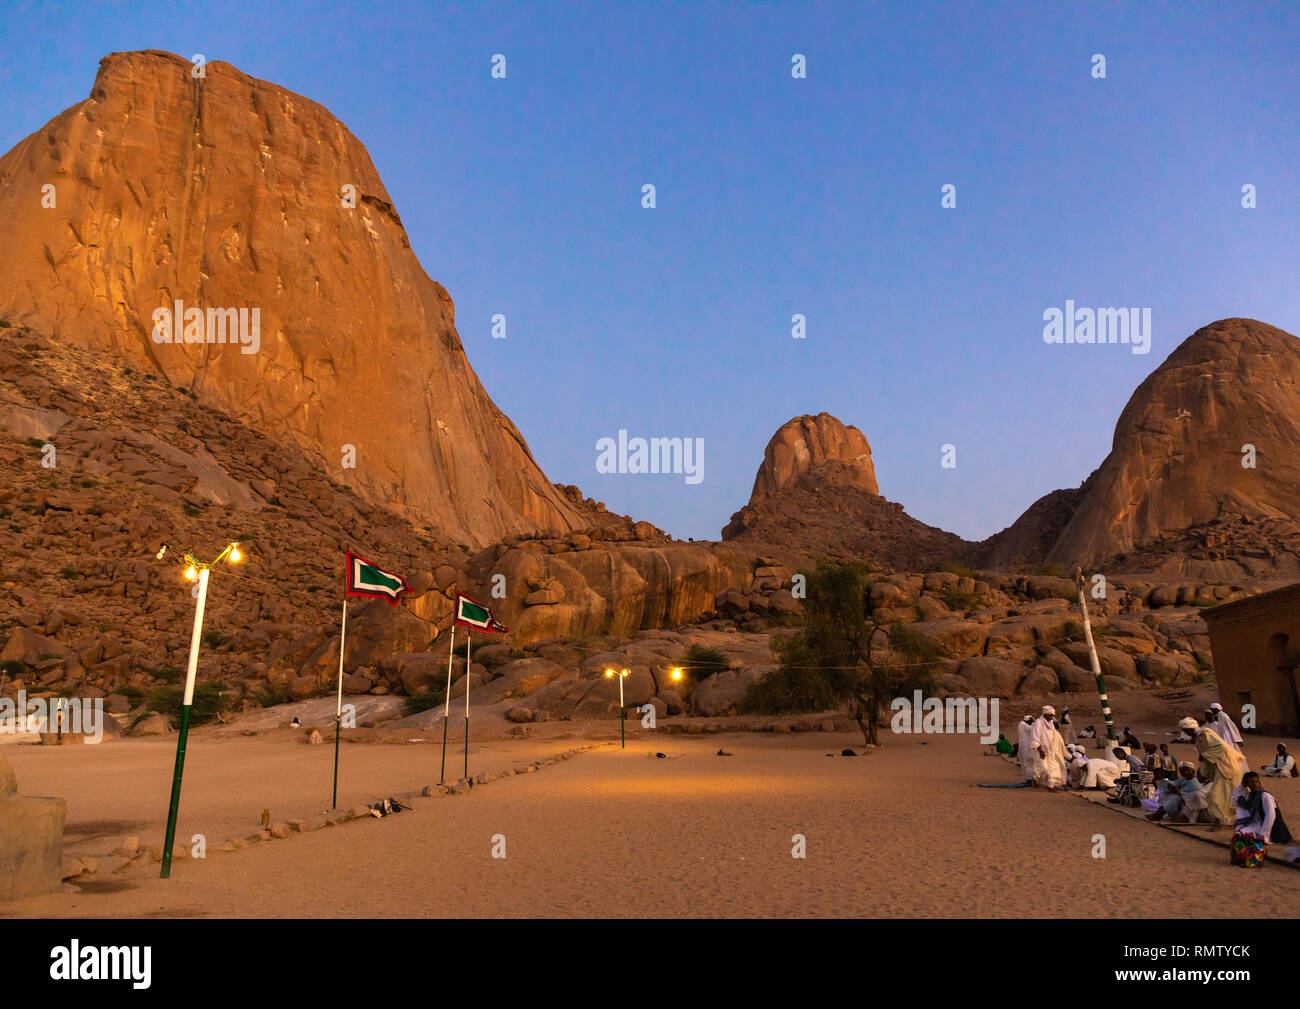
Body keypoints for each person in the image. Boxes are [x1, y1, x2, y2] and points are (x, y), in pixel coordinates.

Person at [1184, 716, 1245, 831]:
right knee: (1224, 797)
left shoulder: (1206, 733)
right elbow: (1205, 757)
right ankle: (1226, 821)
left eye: (1186, 730)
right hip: (1219, 769)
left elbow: (1221, 747)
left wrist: (1204, 755)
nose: (1184, 733)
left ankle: (1218, 823)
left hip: (1228, 767)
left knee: (1216, 796)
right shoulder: (1198, 739)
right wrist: (1204, 772)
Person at [1230, 772, 1293, 867]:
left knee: (1250, 838)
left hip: (1271, 830)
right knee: (1240, 834)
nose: (1255, 784)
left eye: (1256, 781)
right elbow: (1234, 799)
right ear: (1247, 784)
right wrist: (1242, 785)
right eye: (1251, 782)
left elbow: (1270, 816)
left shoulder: (1265, 796)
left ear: (1260, 782)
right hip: (1258, 823)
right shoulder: (1251, 795)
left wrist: (1264, 836)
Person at [1031, 705, 1067, 789]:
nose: (1052, 717)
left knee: (1054, 768)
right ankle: (1034, 778)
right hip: (1040, 749)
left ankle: (1051, 786)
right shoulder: (1038, 722)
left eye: (1053, 715)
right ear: (1045, 714)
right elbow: (1035, 737)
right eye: (1050, 715)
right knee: (1043, 768)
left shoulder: (1050, 723)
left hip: (1051, 750)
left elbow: (1053, 735)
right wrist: (1040, 751)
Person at [1209, 702, 1249, 772]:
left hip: (1228, 738)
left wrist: (1238, 739)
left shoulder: (1223, 715)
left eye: (1212, 709)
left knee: (1230, 753)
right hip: (1223, 737)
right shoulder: (1218, 716)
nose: (1212, 711)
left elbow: (1232, 726)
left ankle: (1237, 769)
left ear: (1216, 709)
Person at [1016, 715, 1037, 782]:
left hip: (1024, 746)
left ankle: (1028, 779)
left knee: (1026, 763)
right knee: (1029, 762)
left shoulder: (1022, 724)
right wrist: (1034, 723)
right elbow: (1032, 729)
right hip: (1026, 747)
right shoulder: (1023, 725)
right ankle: (1029, 779)